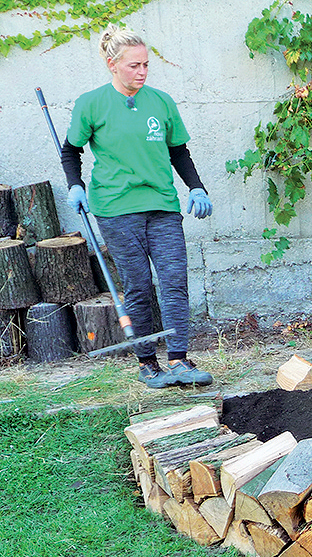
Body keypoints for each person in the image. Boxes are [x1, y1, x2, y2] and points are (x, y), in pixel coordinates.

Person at [61, 24, 213, 388]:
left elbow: (178, 150)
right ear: (113, 64)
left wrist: (196, 187)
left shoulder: (161, 102)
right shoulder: (91, 103)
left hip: (162, 204)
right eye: (134, 65)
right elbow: (71, 150)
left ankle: (178, 359)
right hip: (115, 208)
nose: (142, 71)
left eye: (146, 64)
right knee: (139, 286)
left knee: (175, 281)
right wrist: (75, 185)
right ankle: (148, 364)